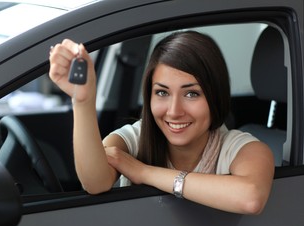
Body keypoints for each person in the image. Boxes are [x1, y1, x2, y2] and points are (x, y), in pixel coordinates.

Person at [49, 31, 274, 215]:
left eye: (192, 94)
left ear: (215, 96)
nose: (174, 111)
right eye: (162, 92)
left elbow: (250, 198)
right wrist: (83, 100)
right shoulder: (135, 138)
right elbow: (94, 183)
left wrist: (144, 172)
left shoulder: (243, 149)